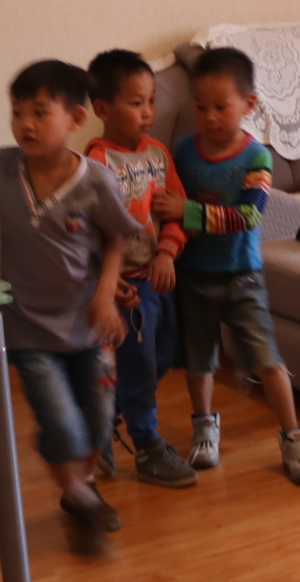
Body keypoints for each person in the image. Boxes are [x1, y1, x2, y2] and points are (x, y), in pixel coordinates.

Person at [0, 59, 141, 540]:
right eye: (18, 112)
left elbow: (117, 239)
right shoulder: (1, 167)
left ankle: (80, 486)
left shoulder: (96, 180)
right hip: (27, 328)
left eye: (40, 112)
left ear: (75, 118)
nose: (26, 124)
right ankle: (79, 494)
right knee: (60, 421)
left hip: (89, 326)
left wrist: (106, 295)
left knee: (98, 422)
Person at [150, 46, 300, 486]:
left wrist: (188, 211)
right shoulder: (184, 150)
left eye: (221, 107)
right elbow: (168, 200)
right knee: (199, 361)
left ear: (249, 103)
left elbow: (248, 216)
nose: (209, 117)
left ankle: (293, 436)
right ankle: (204, 427)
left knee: (266, 360)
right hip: (192, 275)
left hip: (241, 277)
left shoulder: (257, 158)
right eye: (201, 107)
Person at [84, 49, 198, 489]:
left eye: (151, 101)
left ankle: (102, 419)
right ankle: (147, 445)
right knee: (139, 367)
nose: (148, 112)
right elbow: (86, 233)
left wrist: (167, 251)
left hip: (158, 279)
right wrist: (107, 282)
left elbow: (176, 212)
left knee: (165, 353)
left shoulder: (159, 154)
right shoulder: (97, 163)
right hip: (125, 288)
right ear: (102, 109)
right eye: (136, 103)